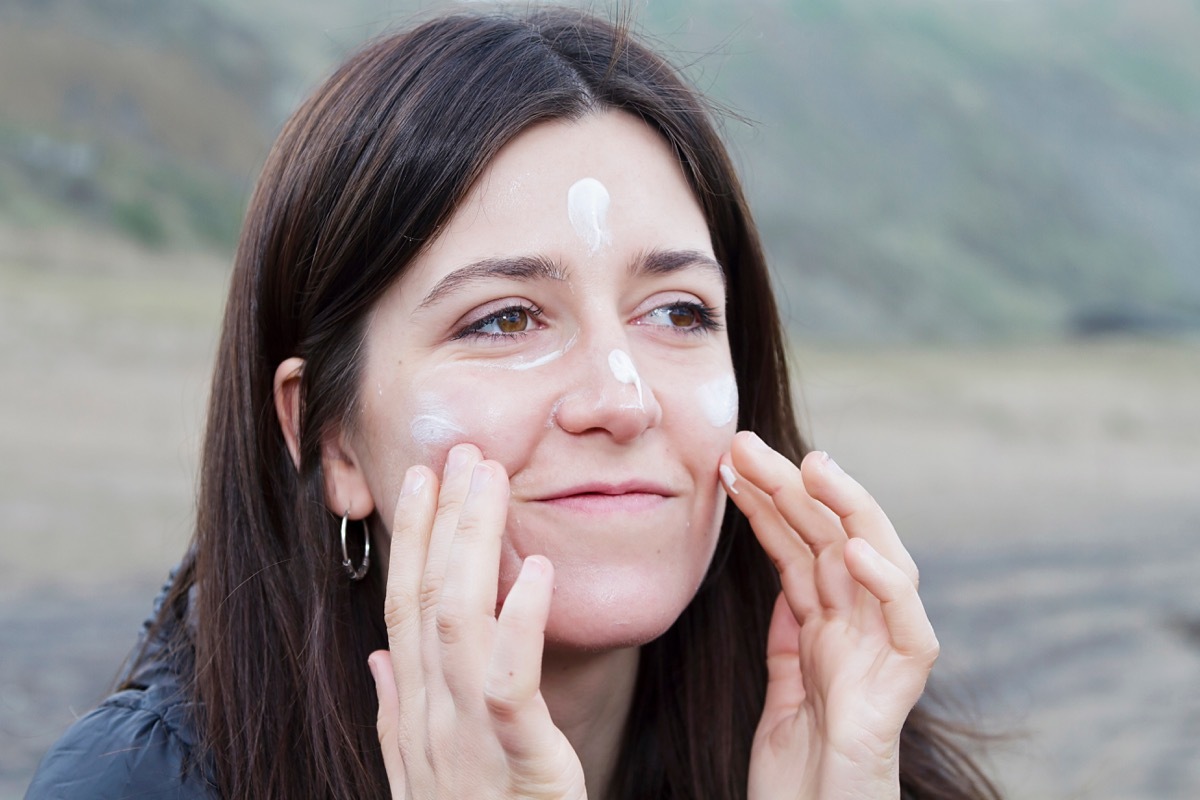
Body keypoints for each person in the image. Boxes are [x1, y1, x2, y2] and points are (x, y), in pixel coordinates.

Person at [27, 7, 1000, 799]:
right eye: (505, 320)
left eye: (678, 310)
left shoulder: (850, 759)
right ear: (331, 440)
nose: (623, 400)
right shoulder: (134, 785)